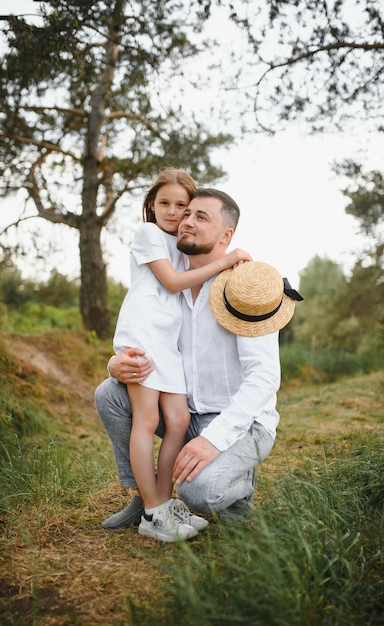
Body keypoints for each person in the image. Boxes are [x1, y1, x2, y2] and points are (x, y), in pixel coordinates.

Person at [95, 187, 302, 536]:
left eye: (200, 216)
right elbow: (147, 339)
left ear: (226, 236)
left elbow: (264, 378)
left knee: (197, 492)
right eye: (186, 213)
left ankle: (240, 487)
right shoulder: (168, 285)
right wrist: (116, 365)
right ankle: (147, 499)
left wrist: (214, 440)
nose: (186, 220)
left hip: (243, 422)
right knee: (108, 394)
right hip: (186, 414)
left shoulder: (244, 288)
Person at [111, 170, 252, 542]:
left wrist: (231, 263)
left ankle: (165, 500)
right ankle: (152, 509)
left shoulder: (182, 242)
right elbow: (172, 283)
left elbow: (202, 260)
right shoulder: (148, 234)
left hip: (167, 341)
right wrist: (227, 260)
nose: (175, 213)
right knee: (146, 419)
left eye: (183, 206)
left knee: (177, 420)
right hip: (145, 333)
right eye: (165, 204)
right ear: (151, 206)